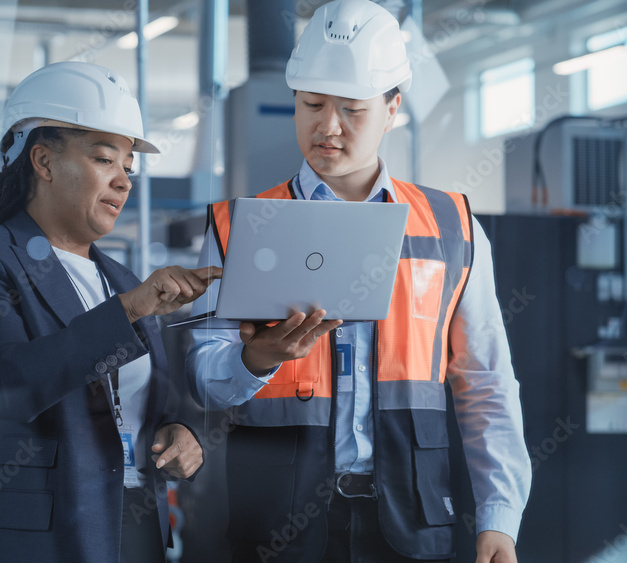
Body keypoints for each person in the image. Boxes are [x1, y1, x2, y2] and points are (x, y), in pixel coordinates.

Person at [187, 1, 531, 562]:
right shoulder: (241, 226)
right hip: (277, 524)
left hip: (409, 522)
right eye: (312, 105)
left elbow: (487, 383)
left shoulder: (453, 228)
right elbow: (203, 381)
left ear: (392, 108)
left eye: (351, 109)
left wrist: (500, 514)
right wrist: (255, 360)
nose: (327, 127)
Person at [0, 61, 217, 563]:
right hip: (39, 539)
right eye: (104, 159)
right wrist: (133, 309)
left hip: (132, 524)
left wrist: (178, 433)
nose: (123, 182)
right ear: (43, 161)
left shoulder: (118, 277)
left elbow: (144, 404)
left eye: (128, 167)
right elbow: (4, 386)